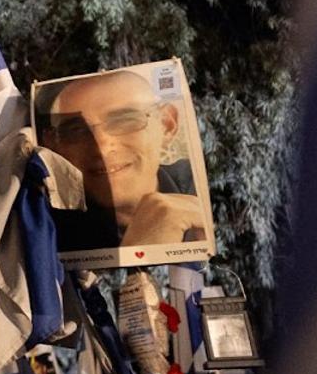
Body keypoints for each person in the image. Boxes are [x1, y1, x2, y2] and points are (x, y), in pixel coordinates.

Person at [37, 70, 209, 251]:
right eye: (76, 130)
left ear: (167, 125)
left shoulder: (205, 191)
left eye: (124, 120)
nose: (102, 148)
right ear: (53, 146)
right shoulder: (44, 234)